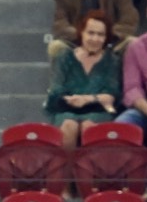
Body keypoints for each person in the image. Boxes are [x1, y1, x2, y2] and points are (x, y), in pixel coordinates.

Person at [45, 10, 121, 167]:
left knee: (89, 126)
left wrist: (86, 100)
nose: (95, 38)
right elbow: (56, 91)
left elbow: (112, 94)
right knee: (68, 125)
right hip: (66, 109)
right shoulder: (65, 57)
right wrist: (72, 101)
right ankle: (65, 185)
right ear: (82, 33)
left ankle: (88, 185)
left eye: (100, 34)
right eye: (90, 33)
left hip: (99, 112)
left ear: (106, 37)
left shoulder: (112, 61)